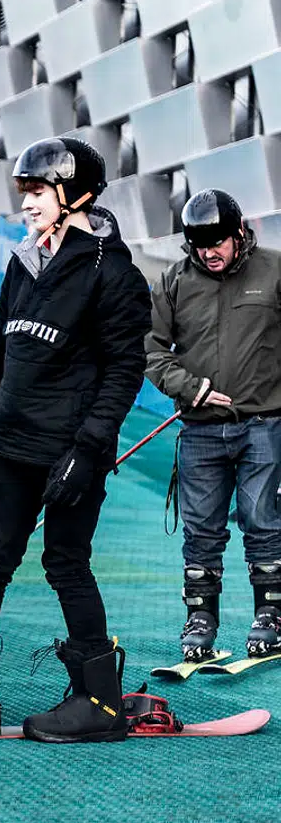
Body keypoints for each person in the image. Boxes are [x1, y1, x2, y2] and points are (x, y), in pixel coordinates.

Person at [0, 137, 151, 743]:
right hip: (15, 443)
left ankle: (100, 702)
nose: (26, 203)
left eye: (37, 191)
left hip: (69, 451)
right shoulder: (25, 261)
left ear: (73, 194)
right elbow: (0, 345)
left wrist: (87, 450)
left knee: (65, 561)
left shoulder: (114, 274)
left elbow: (123, 372)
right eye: (24, 192)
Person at [145, 188, 281, 663]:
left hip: (264, 423)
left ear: (239, 233)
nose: (209, 252)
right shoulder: (173, 282)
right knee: (201, 530)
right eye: (199, 243)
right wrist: (188, 386)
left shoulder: (274, 269)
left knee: (262, 520)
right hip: (200, 428)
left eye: (217, 241)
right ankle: (201, 619)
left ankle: (271, 614)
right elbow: (151, 347)